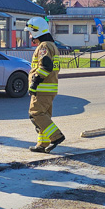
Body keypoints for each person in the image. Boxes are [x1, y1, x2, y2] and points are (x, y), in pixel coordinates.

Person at [25, 17, 65, 153]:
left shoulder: (44, 46)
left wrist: (35, 82)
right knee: (44, 115)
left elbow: (45, 66)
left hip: (42, 88)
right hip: (50, 88)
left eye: (31, 33)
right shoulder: (52, 45)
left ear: (37, 32)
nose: (31, 36)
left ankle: (56, 137)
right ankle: (43, 143)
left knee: (36, 113)